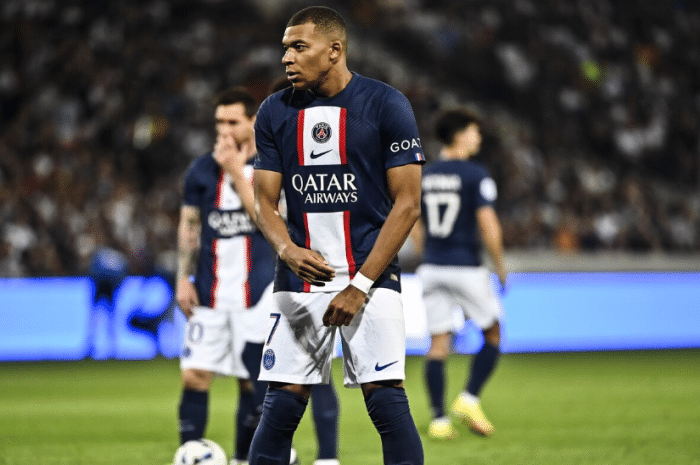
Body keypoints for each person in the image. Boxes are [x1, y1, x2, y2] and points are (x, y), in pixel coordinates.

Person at [250, 6, 425, 465]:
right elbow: (263, 201)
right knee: (280, 407)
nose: (286, 58)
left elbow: (408, 204)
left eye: (298, 47)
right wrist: (287, 249)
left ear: (334, 50)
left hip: (371, 277)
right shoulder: (274, 111)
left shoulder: (385, 104)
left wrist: (360, 285)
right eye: (285, 48)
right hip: (300, 279)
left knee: (386, 401)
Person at [175, 87, 340, 465]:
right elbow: (190, 226)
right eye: (219, 122)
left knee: (252, 382)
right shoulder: (201, 170)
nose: (224, 130)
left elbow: (270, 223)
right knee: (194, 376)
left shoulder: (271, 166)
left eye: (233, 122)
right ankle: (190, 453)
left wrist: (236, 173)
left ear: (253, 122)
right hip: (210, 293)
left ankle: (243, 457)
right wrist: (182, 278)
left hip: (259, 291)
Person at [412, 109, 507, 439]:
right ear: (460, 135)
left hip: (432, 266)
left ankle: (439, 420)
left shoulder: (425, 174)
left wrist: (426, 255)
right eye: (474, 131)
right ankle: (469, 399)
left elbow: (414, 221)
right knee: (493, 333)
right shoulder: (475, 174)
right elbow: (488, 224)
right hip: (466, 266)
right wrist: (500, 265)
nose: (478, 137)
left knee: (438, 345)